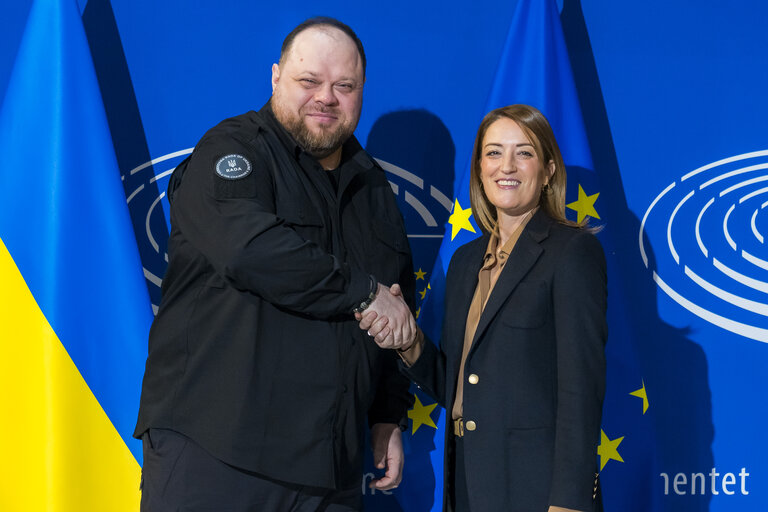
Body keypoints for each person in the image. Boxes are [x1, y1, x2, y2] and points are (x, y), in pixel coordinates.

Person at [134, 17, 417, 512]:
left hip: (332, 469)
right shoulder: (232, 151)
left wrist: (385, 416)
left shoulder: (374, 189)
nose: (326, 97)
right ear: (275, 78)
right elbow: (251, 251)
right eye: (309, 81)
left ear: (361, 92)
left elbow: (395, 305)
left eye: (343, 86)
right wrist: (363, 292)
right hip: (220, 456)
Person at [361, 105, 607, 511]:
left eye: (523, 152)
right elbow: (462, 387)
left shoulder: (572, 252)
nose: (506, 166)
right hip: (470, 485)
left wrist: (570, 502)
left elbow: (581, 391)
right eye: (494, 152)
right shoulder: (464, 262)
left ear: (547, 171)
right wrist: (408, 342)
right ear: (478, 168)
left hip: (539, 491)